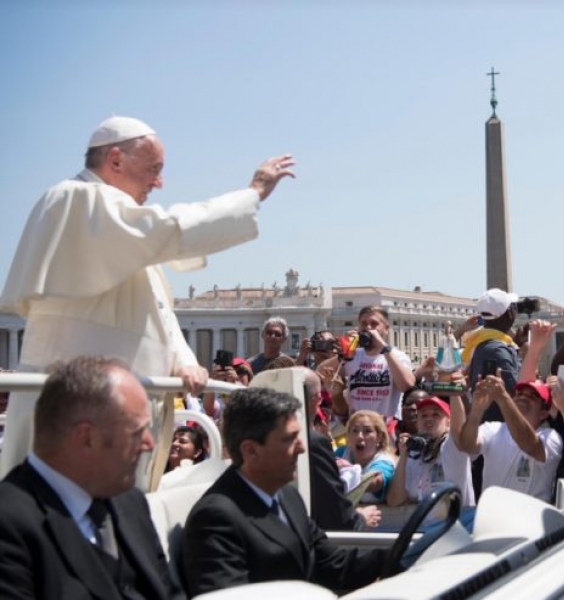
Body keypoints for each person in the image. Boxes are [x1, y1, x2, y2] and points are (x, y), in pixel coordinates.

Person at [0, 115, 294, 477]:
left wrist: (185, 360)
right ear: (116, 160)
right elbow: (165, 229)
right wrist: (253, 193)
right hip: (78, 420)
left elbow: (159, 316)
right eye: (154, 168)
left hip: (121, 422)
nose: (159, 181)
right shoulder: (75, 199)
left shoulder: (119, 231)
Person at [0, 355, 183, 599]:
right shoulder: (10, 525)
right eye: (138, 432)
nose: (149, 444)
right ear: (87, 438)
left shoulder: (130, 502)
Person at [181, 387, 385, 596]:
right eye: (289, 439)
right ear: (250, 451)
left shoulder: (287, 496)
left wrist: (399, 557)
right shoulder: (216, 519)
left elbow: (331, 563)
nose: (302, 448)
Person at [293, 366, 381, 530]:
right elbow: (333, 512)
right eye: (354, 430)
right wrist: (360, 518)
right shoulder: (313, 442)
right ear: (318, 399)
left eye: (367, 431)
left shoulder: (263, 435)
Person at [453, 378, 563, 502]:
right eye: (519, 393)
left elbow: (529, 444)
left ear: (543, 413)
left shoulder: (551, 437)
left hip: (530, 519)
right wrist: (477, 411)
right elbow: (466, 446)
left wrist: (502, 398)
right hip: (489, 518)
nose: (523, 397)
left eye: (532, 396)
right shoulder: (492, 428)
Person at [329, 306, 415, 421]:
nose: (368, 328)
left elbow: (406, 385)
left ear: (386, 328)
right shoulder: (352, 356)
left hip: (387, 427)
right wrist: (343, 355)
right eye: (363, 324)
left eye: (374, 324)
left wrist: (384, 348)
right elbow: (319, 375)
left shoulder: (397, 356)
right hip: (357, 426)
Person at [388, 394, 475, 508]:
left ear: (448, 423)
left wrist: (454, 392)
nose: (429, 418)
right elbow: (395, 500)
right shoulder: (413, 455)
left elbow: (458, 429)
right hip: (425, 523)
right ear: (417, 423)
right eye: (423, 415)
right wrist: (403, 455)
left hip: (457, 521)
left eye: (436, 414)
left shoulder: (452, 447)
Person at [464, 288, 521, 422]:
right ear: (509, 313)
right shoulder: (496, 350)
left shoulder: (478, 341)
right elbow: (516, 393)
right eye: (513, 307)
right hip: (501, 427)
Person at [336, 410, 396, 504]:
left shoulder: (384, 460)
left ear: (379, 437)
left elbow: (376, 482)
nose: (359, 436)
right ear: (348, 435)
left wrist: (349, 472)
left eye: (367, 431)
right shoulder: (341, 453)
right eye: (355, 431)